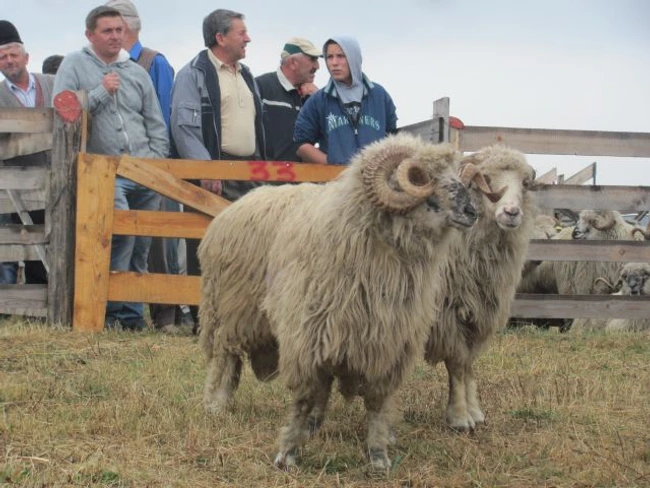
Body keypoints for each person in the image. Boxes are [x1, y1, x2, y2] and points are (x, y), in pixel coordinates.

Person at [53, 5, 169, 331]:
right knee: (119, 235)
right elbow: (63, 112)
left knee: (142, 241)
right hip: (103, 171)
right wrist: (102, 92)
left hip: (143, 169)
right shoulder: (74, 64)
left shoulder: (136, 71)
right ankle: (111, 312)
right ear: (90, 35)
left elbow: (155, 122)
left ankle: (131, 315)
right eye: (107, 31)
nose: (115, 36)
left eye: (119, 30)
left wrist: (155, 164)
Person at [170, 8, 266, 325]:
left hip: (247, 174)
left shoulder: (246, 74)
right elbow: (184, 127)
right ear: (221, 38)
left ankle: (243, 319)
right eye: (242, 32)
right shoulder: (192, 74)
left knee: (247, 246)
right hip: (214, 174)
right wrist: (206, 169)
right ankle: (205, 320)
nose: (248, 38)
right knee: (207, 246)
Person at [104, 0, 191, 333]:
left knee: (159, 241)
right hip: (117, 168)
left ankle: (166, 315)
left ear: (125, 26)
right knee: (123, 237)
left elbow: (162, 118)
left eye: (114, 24)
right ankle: (123, 311)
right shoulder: (106, 65)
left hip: (152, 167)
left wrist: (156, 165)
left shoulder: (154, 62)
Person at [0, 20, 54, 286]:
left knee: (64, 242)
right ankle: (37, 301)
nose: (9, 60)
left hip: (60, 180)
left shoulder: (52, 84)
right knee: (31, 247)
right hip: (22, 185)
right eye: (3, 57)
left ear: (26, 57)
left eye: (13, 54)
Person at [294, 36, 397, 165]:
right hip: (335, 177)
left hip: (373, 176)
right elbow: (301, 144)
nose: (334, 63)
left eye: (341, 56)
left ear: (354, 58)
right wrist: (330, 164)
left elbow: (393, 138)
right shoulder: (318, 101)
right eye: (329, 57)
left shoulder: (379, 96)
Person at [255, 37, 320, 162]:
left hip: (305, 174)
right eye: (313, 59)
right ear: (293, 63)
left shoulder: (313, 96)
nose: (317, 66)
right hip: (266, 173)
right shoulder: (260, 86)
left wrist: (318, 98)